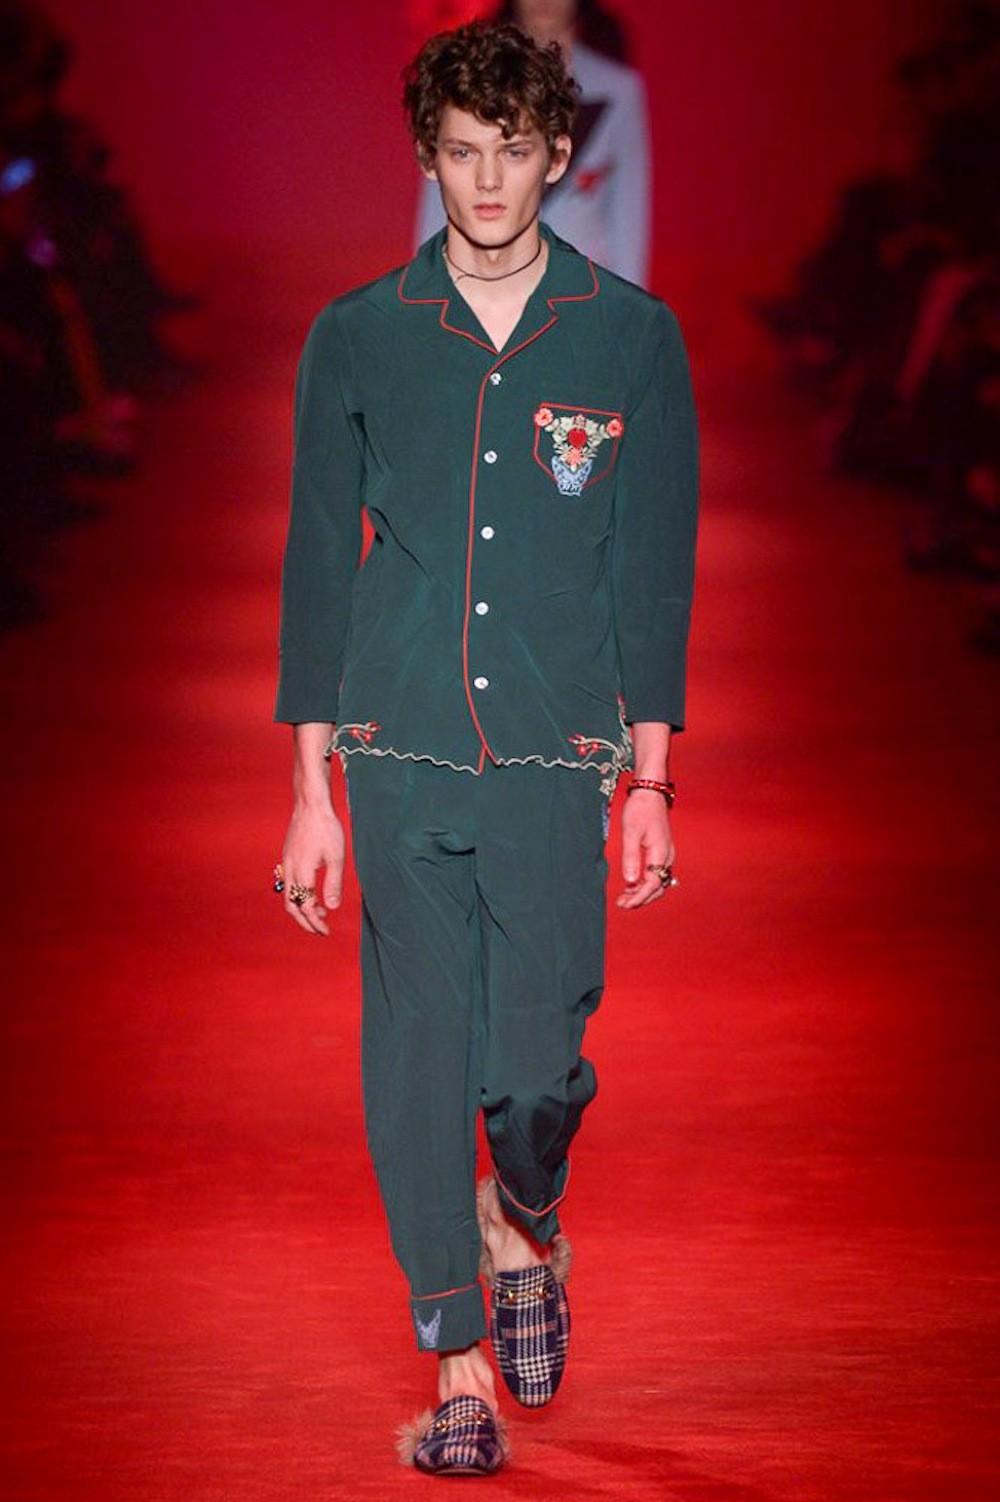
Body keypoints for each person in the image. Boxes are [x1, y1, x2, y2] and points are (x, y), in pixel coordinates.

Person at [273, 18, 698, 1477]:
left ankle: (524, 1217)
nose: (489, 181)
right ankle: (454, 1358)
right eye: (462, 153)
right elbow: (317, 567)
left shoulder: (632, 337)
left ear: (558, 154)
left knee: (531, 1071)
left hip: (554, 749)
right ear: (428, 157)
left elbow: (652, 573)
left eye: (513, 151)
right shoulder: (359, 334)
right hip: (397, 740)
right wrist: (309, 792)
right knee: (413, 1055)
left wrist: (650, 777)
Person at [414, 0, 653, 287]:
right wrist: (428, 289)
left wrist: (629, 302)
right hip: (487, 285)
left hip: (584, 287)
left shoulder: (618, 89)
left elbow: (628, 209)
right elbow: (442, 192)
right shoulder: (467, 82)